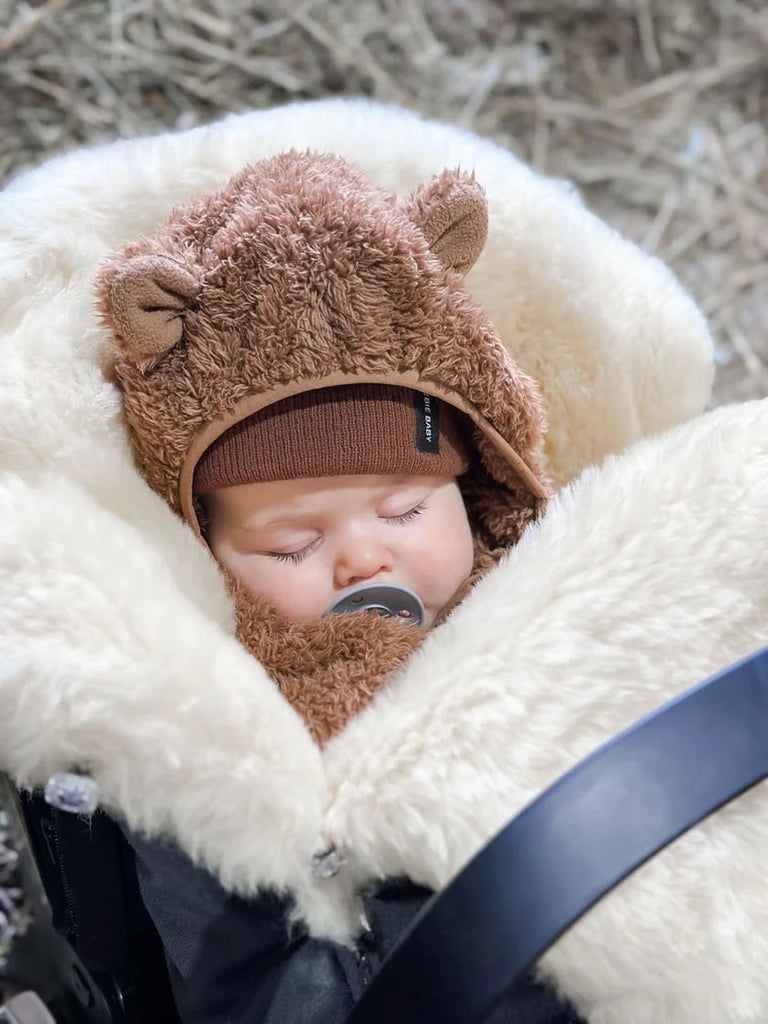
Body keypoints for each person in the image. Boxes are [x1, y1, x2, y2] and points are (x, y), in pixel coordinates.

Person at [95, 150, 582, 1022]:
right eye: (292, 545)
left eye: (403, 509)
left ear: (474, 486)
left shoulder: (553, 590)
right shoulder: (219, 731)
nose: (362, 561)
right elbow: (244, 988)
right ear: (203, 553)